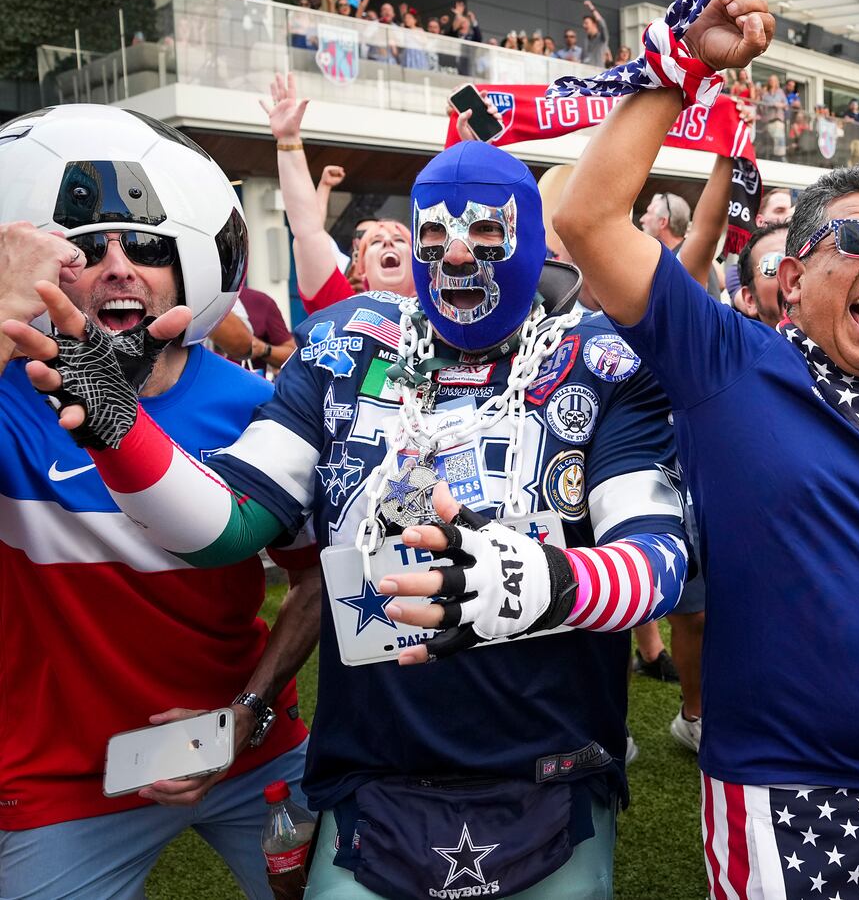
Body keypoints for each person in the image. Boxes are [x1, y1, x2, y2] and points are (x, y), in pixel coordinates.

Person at [10, 138, 692, 898]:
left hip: (545, 759)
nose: (457, 258)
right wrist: (118, 425)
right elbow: (228, 523)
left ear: (529, 238)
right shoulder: (345, 343)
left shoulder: (602, 359)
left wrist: (542, 581)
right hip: (376, 763)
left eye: (486, 236)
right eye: (434, 237)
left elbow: (659, 557)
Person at [539, 0, 859, 896]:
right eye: (857, 241)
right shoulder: (731, 360)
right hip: (787, 798)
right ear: (790, 280)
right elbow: (588, 218)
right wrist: (679, 68)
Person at [0, 106, 317, 900]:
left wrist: (246, 715)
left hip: (249, 744)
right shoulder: (10, 398)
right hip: (58, 774)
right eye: (81, 247)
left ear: (194, 268)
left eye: (145, 246)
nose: (116, 267)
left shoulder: (254, 405)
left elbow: (318, 579)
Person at [263, 74, 415, 313]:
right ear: (361, 266)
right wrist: (288, 141)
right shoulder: (343, 306)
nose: (387, 241)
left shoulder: (442, 311)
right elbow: (308, 232)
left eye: (399, 240)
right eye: (374, 242)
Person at [578, 2, 610, 67]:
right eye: (583, 23)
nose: (584, 26)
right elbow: (582, 59)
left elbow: (602, 24)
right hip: (585, 73)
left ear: (594, 24)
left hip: (597, 72)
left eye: (586, 23)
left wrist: (592, 8)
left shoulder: (602, 38)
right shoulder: (585, 40)